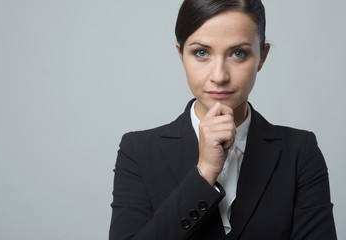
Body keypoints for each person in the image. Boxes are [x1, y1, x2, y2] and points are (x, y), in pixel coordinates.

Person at [109, 0, 337, 239]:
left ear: (262, 56)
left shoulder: (300, 151)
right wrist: (204, 173)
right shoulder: (138, 151)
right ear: (181, 54)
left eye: (238, 53)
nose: (219, 76)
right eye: (201, 53)